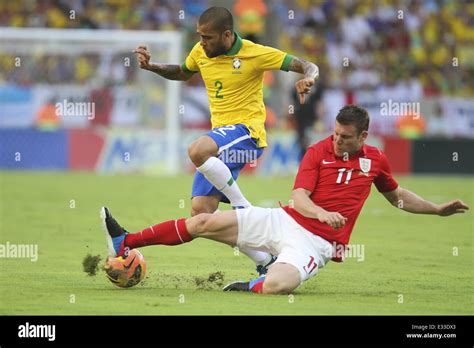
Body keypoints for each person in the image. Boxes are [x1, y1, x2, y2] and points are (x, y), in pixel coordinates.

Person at [100, 105, 469, 294]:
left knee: (278, 287)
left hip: (318, 244)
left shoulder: (376, 161)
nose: (337, 141)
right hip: (287, 220)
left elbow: (397, 197)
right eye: (336, 134)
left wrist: (436, 210)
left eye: (345, 137)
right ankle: (125, 240)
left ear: (364, 137)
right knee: (201, 221)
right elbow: (299, 197)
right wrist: (322, 212)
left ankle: (252, 284)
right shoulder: (317, 152)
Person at [132, 6, 319, 275]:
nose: (201, 43)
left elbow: (308, 65)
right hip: (222, 144)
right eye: (199, 36)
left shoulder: (255, 53)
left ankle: (244, 207)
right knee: (202, 216)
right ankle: (264, 261)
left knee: (197, 150)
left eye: (207, 38)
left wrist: (308, 78)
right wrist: (152, 67)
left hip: (248, 135)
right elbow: (183, 73)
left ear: (227, 35)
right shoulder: (201, 52)